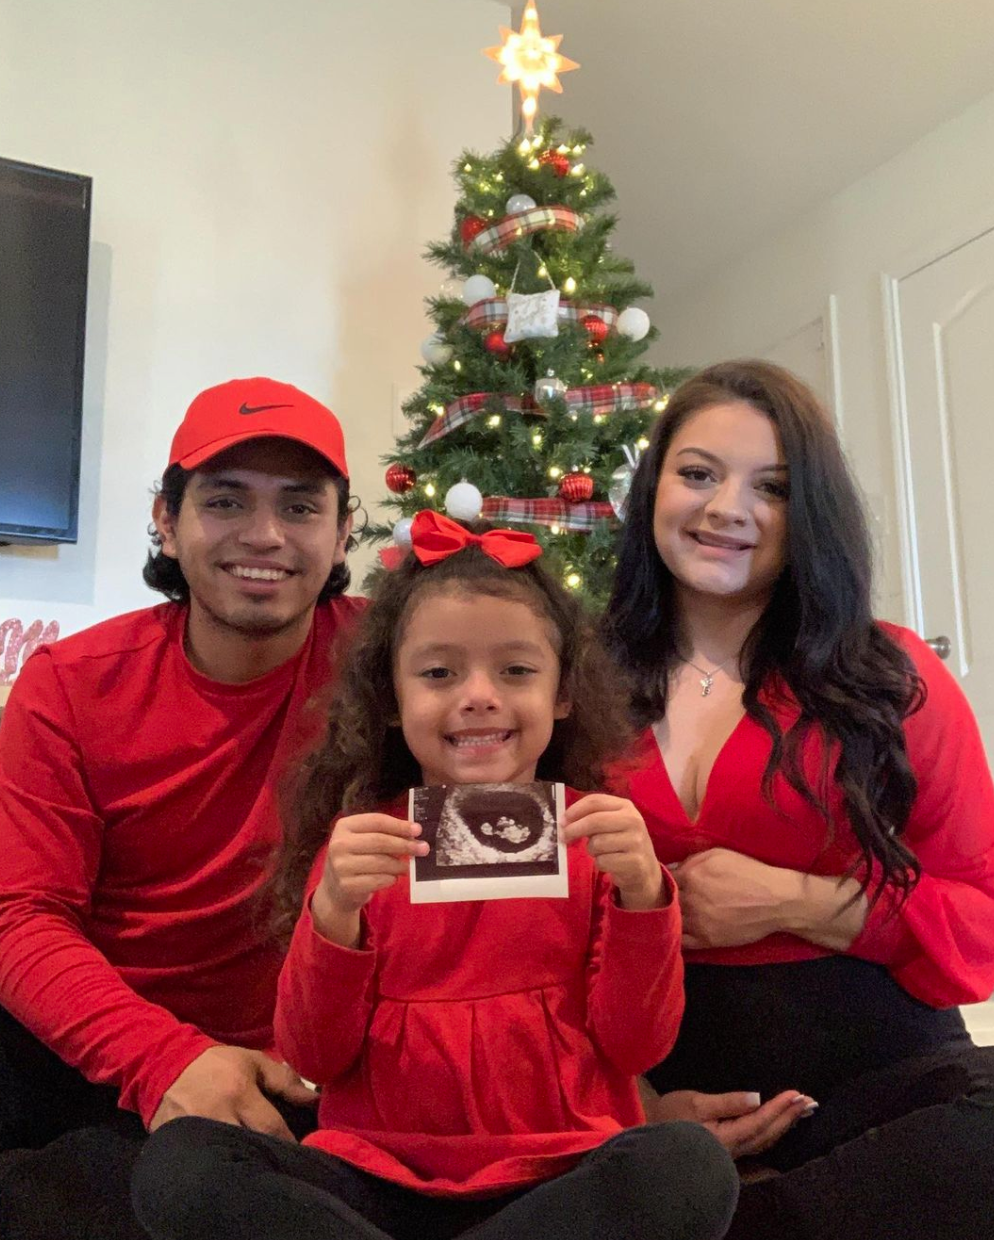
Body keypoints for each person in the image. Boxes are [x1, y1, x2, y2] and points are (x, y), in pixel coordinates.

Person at [131, 509, 739, 1240]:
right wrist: (332, 918)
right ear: (390, 700)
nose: (478, 694)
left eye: (516, 670)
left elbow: (639, 1049)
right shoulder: (362, 849)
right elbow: (315, 1056)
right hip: (371, 1180)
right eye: (439, 673)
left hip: (561, 1177)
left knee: (687, 1166)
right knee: (182, 1163)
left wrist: (645, 899)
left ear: (563, 694)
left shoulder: (598, 840)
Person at [604, 359, 994, 1239]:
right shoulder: (569, 680)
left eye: (771, 487)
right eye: (698, 473)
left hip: (883, 1081)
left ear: (808, 513)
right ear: (653, 486)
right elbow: (526, 938)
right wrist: (635, 1104)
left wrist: (797, 901)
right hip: (659, 1089)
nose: (725, 509)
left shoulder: (893, 676)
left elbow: (980, 910)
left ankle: (749, 1220)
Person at [0, 377, 364, 1238]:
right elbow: (21, 915)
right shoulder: (69, 688)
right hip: (99, 1050)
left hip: (317, 1064)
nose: (266, 536)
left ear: (344, 529)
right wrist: (166, 1062)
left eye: (302, 507)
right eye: (226, 500)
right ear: (167, 519)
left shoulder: (399, 666)